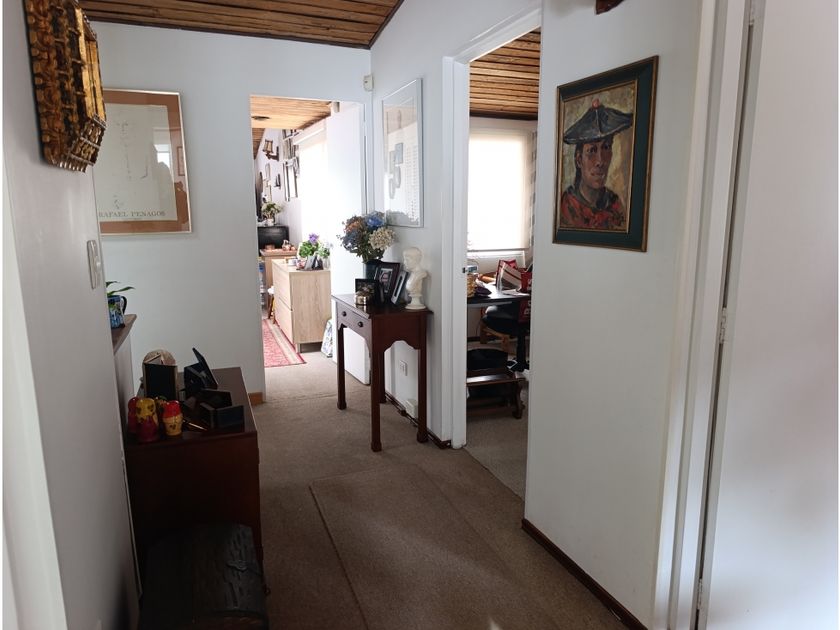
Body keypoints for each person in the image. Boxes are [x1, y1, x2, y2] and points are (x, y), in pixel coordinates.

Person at [557, 98, 633, 232]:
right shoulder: (567, 207)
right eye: (592, 151)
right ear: (579, 160)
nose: (600, 161)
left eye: (606, 147)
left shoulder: (615, 206)